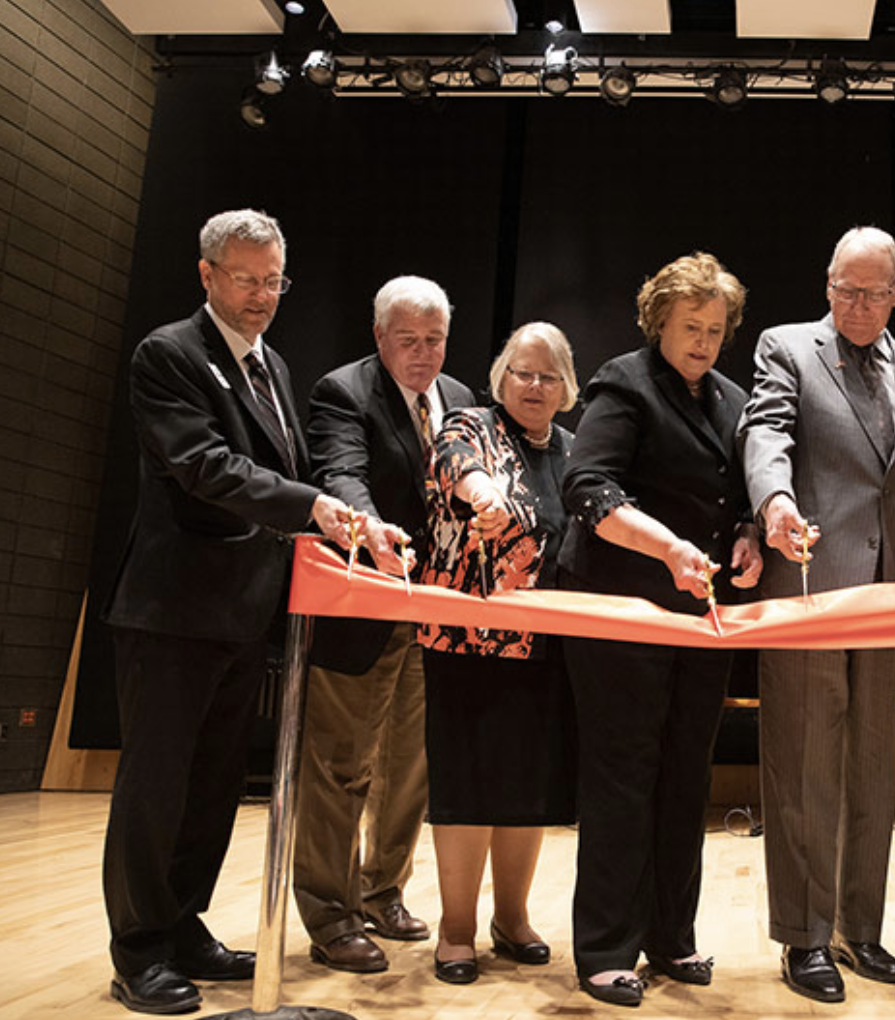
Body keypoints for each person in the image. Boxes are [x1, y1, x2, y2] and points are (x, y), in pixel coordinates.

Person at [100, 209, 360, 1014]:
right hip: (172, 611)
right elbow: (203, 466)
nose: (261, 296)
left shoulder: (272, 367)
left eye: (274, 280)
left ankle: (183, 925)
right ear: (206, 275)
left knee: (214, 786)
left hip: (245, 613)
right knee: (157, 788)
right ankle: (138, 951)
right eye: (245, 279)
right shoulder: (169, 354)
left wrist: (343, 510)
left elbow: (297, 467)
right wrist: (312, 506)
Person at [738, 226, 895, 1003]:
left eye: (873, 292)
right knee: (802, 763)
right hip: (807, 584)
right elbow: (766, 429)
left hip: (890, 597)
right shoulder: (786, 348)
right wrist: (776, 501)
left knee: (873, 768)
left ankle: (862, 929)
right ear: (827, 284)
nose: (857, 305)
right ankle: (802, 937)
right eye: (844, 290)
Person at [559, 252, 762, 1007]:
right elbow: (588, 486)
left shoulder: (732, 398)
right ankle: (607, 947)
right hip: (620, 606)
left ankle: (672, 937)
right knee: (623, 775)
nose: (704, 342)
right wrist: (669, 547)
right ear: (658, 322)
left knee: (687, 774)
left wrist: (747, 534)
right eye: (690, 327)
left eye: (715, 330)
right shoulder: (624, 380)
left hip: (697, 614)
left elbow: (734, 496)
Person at [294, 276, 475, 972]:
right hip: (361, 607)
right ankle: (329, 912)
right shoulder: (343, 392)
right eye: (409, 341)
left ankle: (381, 891)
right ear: (379, 337)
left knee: (411, 767)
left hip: (433, 613)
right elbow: (341, 473)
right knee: (341, 766)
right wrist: (370, 530)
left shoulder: (459, 401)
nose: (424, 354)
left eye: (435, 340)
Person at [415, 321, 582, 986]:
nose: (534, 385)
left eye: (548, 375)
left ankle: (511, 920)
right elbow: (456, 466)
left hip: (551, 645)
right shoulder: (469, 424)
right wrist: (483, 491)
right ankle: (455, 930)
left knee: (527, 785)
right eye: (522, 372)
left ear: (567, 386)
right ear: (500, 378)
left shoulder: (575, 450)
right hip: (467, 642)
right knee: (468, 784)